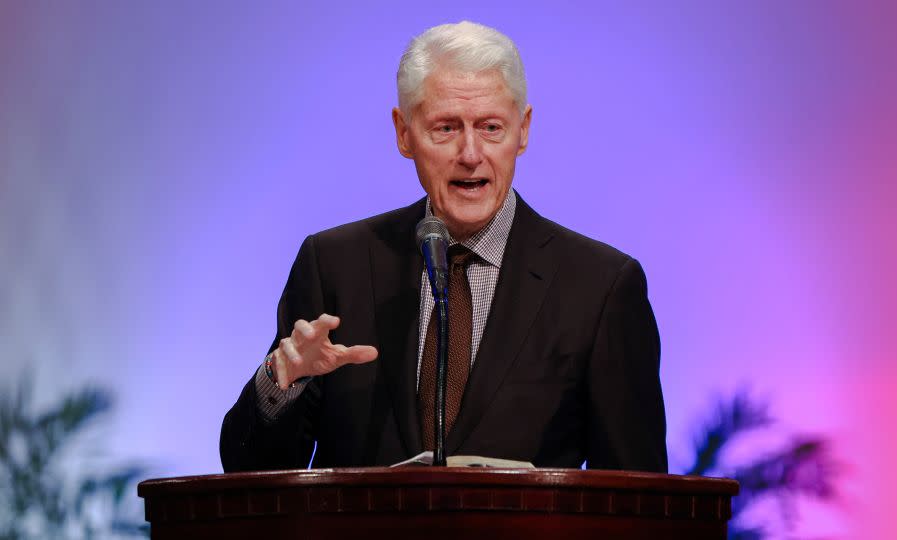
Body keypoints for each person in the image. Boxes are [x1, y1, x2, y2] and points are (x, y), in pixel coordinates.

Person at [220, 21, 666, 472]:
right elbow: (248, 473)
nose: (471, 154)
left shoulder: (600, 287)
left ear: (524, 130)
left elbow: (639, 494)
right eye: (446, 127)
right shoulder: (334, 265)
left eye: (491, 127)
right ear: (403, 132)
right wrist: (283, 381)